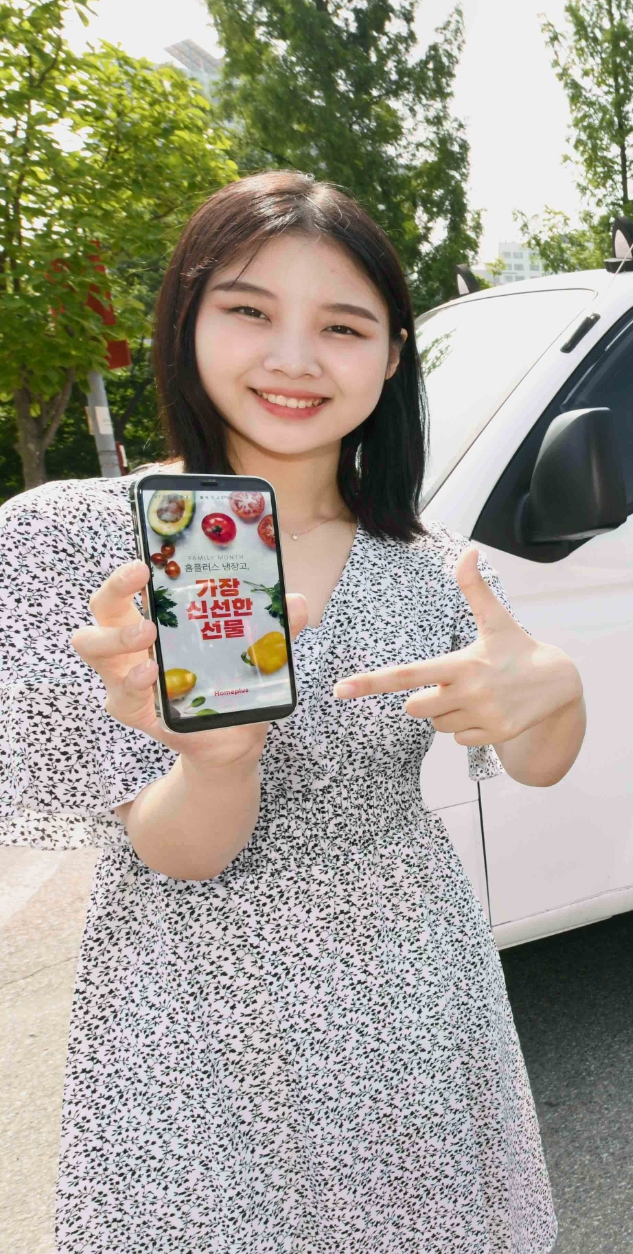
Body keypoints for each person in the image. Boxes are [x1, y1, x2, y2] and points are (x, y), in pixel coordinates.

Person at [0, 173, 585, 1251]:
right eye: (250, 310)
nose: (295, 359)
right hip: (195, 1014)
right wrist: (219, 762)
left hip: (410, 985)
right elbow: (184, 854)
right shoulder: (75, 544)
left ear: (394, 354)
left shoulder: (433, 567)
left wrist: (558, 692)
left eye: (344, 325)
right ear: (185, 317)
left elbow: (539, 760)